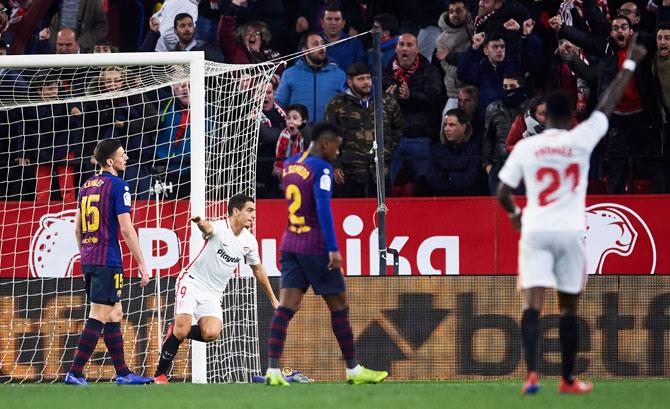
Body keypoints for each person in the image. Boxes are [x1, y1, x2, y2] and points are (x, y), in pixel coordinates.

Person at [496, 34, 647, 395]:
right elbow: (609, 103)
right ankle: (567, 379)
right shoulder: (581, 138)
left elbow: (502, 191)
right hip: (569, 232)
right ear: (571, 115)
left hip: (534, 229)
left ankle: (531, 375)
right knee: (568, 308)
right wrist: (630, 63)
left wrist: (516, 215)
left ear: (546, 115)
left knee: (531, 303)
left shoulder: (528, 147)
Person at [264, 121, 388, 386]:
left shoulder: (290, 164)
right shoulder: (322, 168)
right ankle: (353, 369)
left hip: (290, 242)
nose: (337, 153)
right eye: (336, 147)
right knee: (339, 304)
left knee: (287, 306)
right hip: (315, 245)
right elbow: (322, 209)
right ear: (324, 143)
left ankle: (273, 370)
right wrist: (332, 248)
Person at [154, 193, 279, 384]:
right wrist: (200, 223)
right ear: (236, 211)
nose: (253, 215)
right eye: (250, 210)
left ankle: (177, 330)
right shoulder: (220, 227)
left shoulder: (249, 241)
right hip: (192, 281)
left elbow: (259, 270)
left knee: (211, 333)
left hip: (213, 293)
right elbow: (208, 228)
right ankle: (160, 375)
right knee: (182, 328)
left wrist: (273, 300)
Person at [65, 139, 152, 385]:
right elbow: (126, 229)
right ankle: (75, 371)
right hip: (107, 259)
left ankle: (123, 373)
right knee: (99, 314)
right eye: (122, 155)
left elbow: (77, 228)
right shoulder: (119, 185)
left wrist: (85, 255)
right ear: (110, 161)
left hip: (90, 257)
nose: (127, 158)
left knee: (115, 313)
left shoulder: (86, 185)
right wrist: (142, 264)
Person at [325, 62, 404, 198]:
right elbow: (328, 136)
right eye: (361, 79)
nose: (366, 82)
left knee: (383, 216)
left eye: (368, 78)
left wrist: (388, 149)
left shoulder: (386, 101)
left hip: (379, 173)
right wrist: (335, 165)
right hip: (349, 174)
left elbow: (399, 127)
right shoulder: (336, 104)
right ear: (350, 82)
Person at [275, 32, 346, 123]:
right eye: (315, 44)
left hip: (328, 133)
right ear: (305, 50)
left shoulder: (339, 74)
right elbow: (278, 105)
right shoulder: (289, 74)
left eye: (323, 43)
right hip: (299, 134)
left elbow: (347, 107)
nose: (321, 47)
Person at [427, 108, 482, 196]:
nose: (446, 129)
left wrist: (446, 176)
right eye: (445, 125)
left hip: (468, 200)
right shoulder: (437, 149)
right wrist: (457, 179)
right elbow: (432, 179)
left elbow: (472, 179)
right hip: (442, 200)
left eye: (452, 125)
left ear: (463, 127)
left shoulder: (474, 149)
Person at [319, 4, 366, 72]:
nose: (333, 23)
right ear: (322, 23)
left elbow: (361, 71)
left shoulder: (354, 44)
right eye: (329, 19)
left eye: (337, 19)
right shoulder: (311, 43)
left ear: (343, 23)